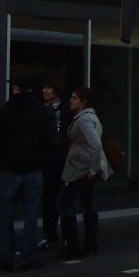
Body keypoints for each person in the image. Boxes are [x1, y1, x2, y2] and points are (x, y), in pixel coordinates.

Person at [0, 73, 57, 271]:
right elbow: (53, 143)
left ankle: (6, 256)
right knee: (31, 214)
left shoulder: (4, 112)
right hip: (33, 168)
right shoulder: (43, 112)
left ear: (15, 88)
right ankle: (27, 256)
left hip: (8, 169)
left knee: (5, 214)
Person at [56, 86, 109, 258]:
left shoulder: (83, 120)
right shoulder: (91, 117)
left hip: (81, 166)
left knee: (65, 201)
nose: (71, 100)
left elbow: (95, 143)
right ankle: (90, 242)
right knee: (87, 200)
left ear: (83, 101)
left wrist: (93, 169)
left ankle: (73, 245)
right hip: (87, 165)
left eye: (74, 98)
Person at [39, 79, 72, 249]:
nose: (45, 90)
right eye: (44, 87)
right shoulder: (41, 109)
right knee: (48, 199)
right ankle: (50, 234)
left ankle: (67, 235)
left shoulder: (67, 109)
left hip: (63, 159)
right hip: (47, 161)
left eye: (49, 87)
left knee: (63, 199)